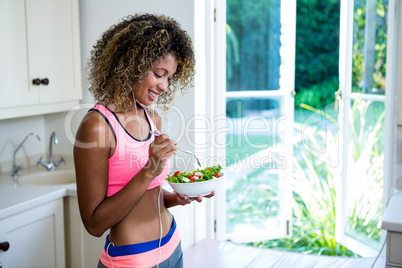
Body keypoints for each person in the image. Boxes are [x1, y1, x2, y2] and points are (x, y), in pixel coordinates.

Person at [73, 13, 214, 268]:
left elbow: (151, 196)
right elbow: (94, 224)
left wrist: (179, 197)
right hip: (133, 260)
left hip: (173, 247)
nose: (164, 86)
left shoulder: (152, 119)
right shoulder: (97, 127)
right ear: (132, 64)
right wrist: (149, 170)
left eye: (169, 77)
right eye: (159, 74)